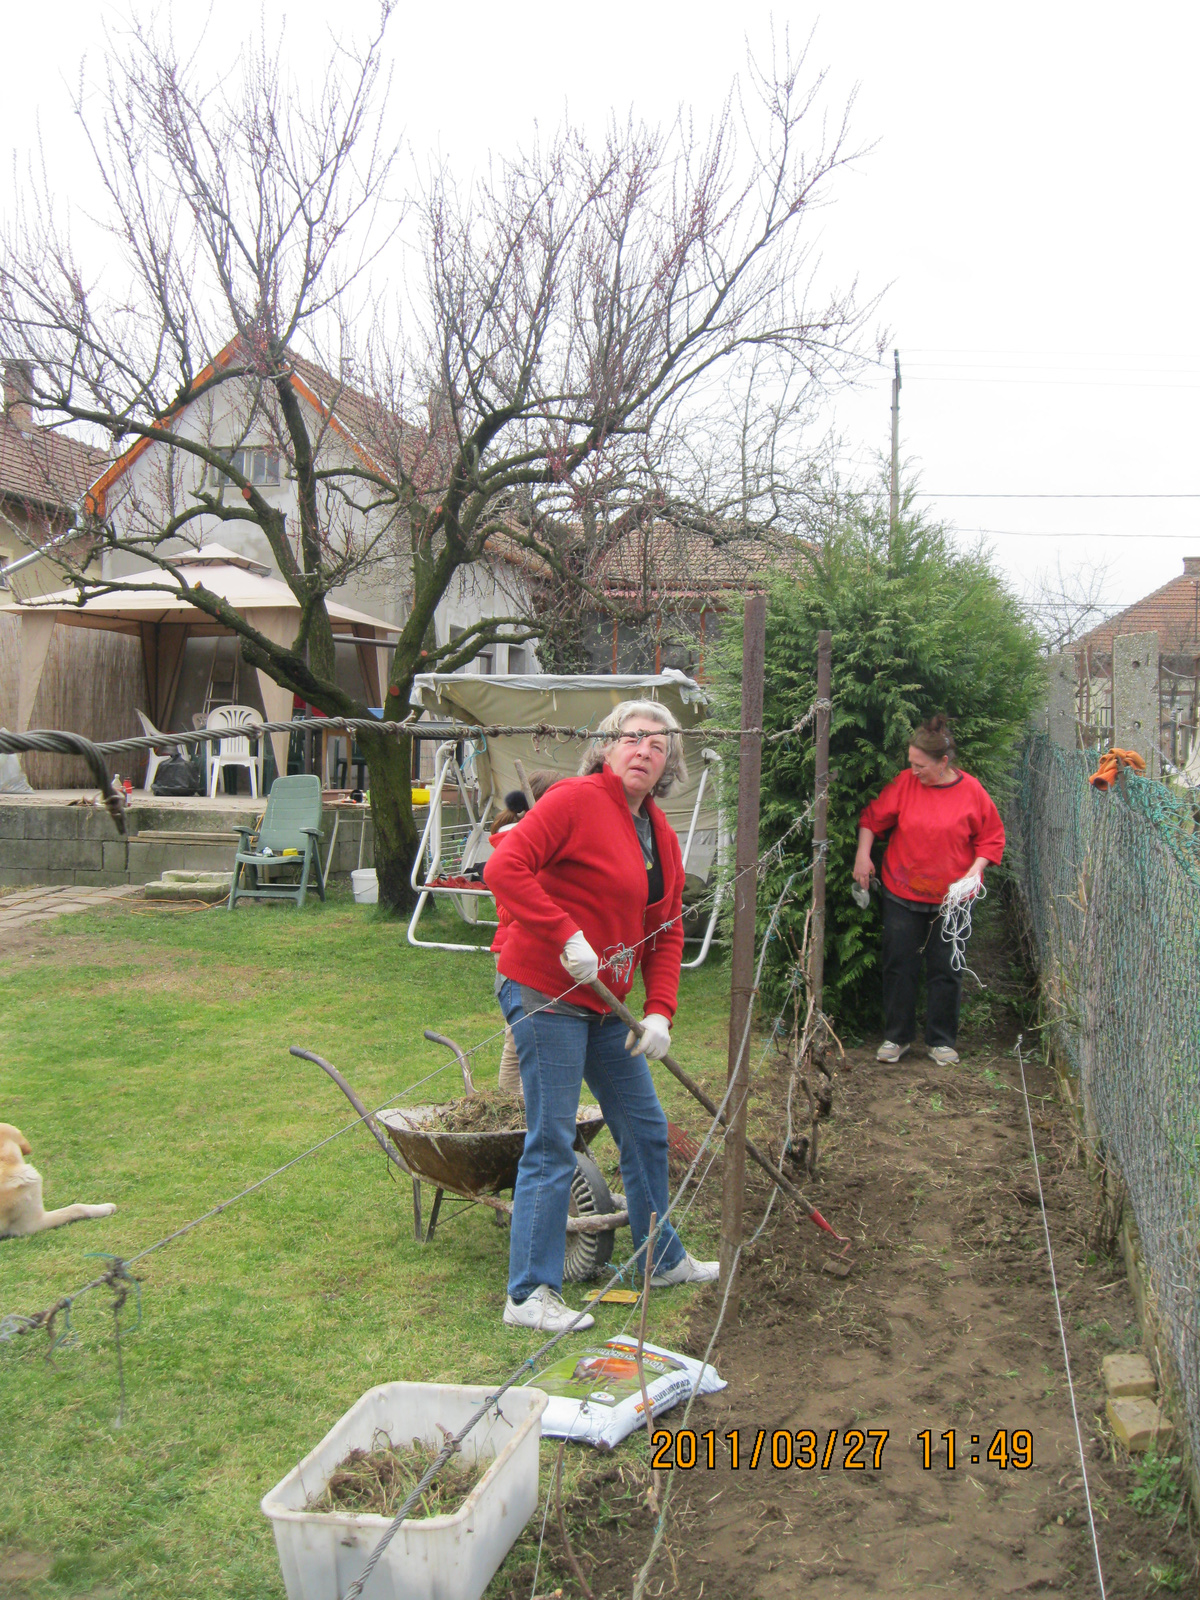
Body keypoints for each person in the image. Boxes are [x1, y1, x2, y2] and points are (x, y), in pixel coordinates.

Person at [482, 699, 718, 1333]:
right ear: (608, 745)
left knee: (644, 1130)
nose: (644, 750)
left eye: (658, 744)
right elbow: (504, 866)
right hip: (544, 989)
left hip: (605, 1004)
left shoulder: (660, 835)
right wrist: (564, 934)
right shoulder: (573, 801)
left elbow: (664, 930)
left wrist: (660, 1011)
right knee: (553, 1137)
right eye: (633, 737)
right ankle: (529, 1294)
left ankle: (660, 1258)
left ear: (669, 764)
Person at [852, 715, 1005, 1067]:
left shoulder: (973, 792)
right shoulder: (905, 784)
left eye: (920, 765)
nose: (913, 771)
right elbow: (871, 819)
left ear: (944, 762)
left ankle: (941, 1041)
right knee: (898, 966)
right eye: (911, 763)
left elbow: (991, 838)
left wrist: (975, 872)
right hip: (902, 893)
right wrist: (863, 856)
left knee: (946, 969)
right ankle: (896, 1038)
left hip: (953, 900)